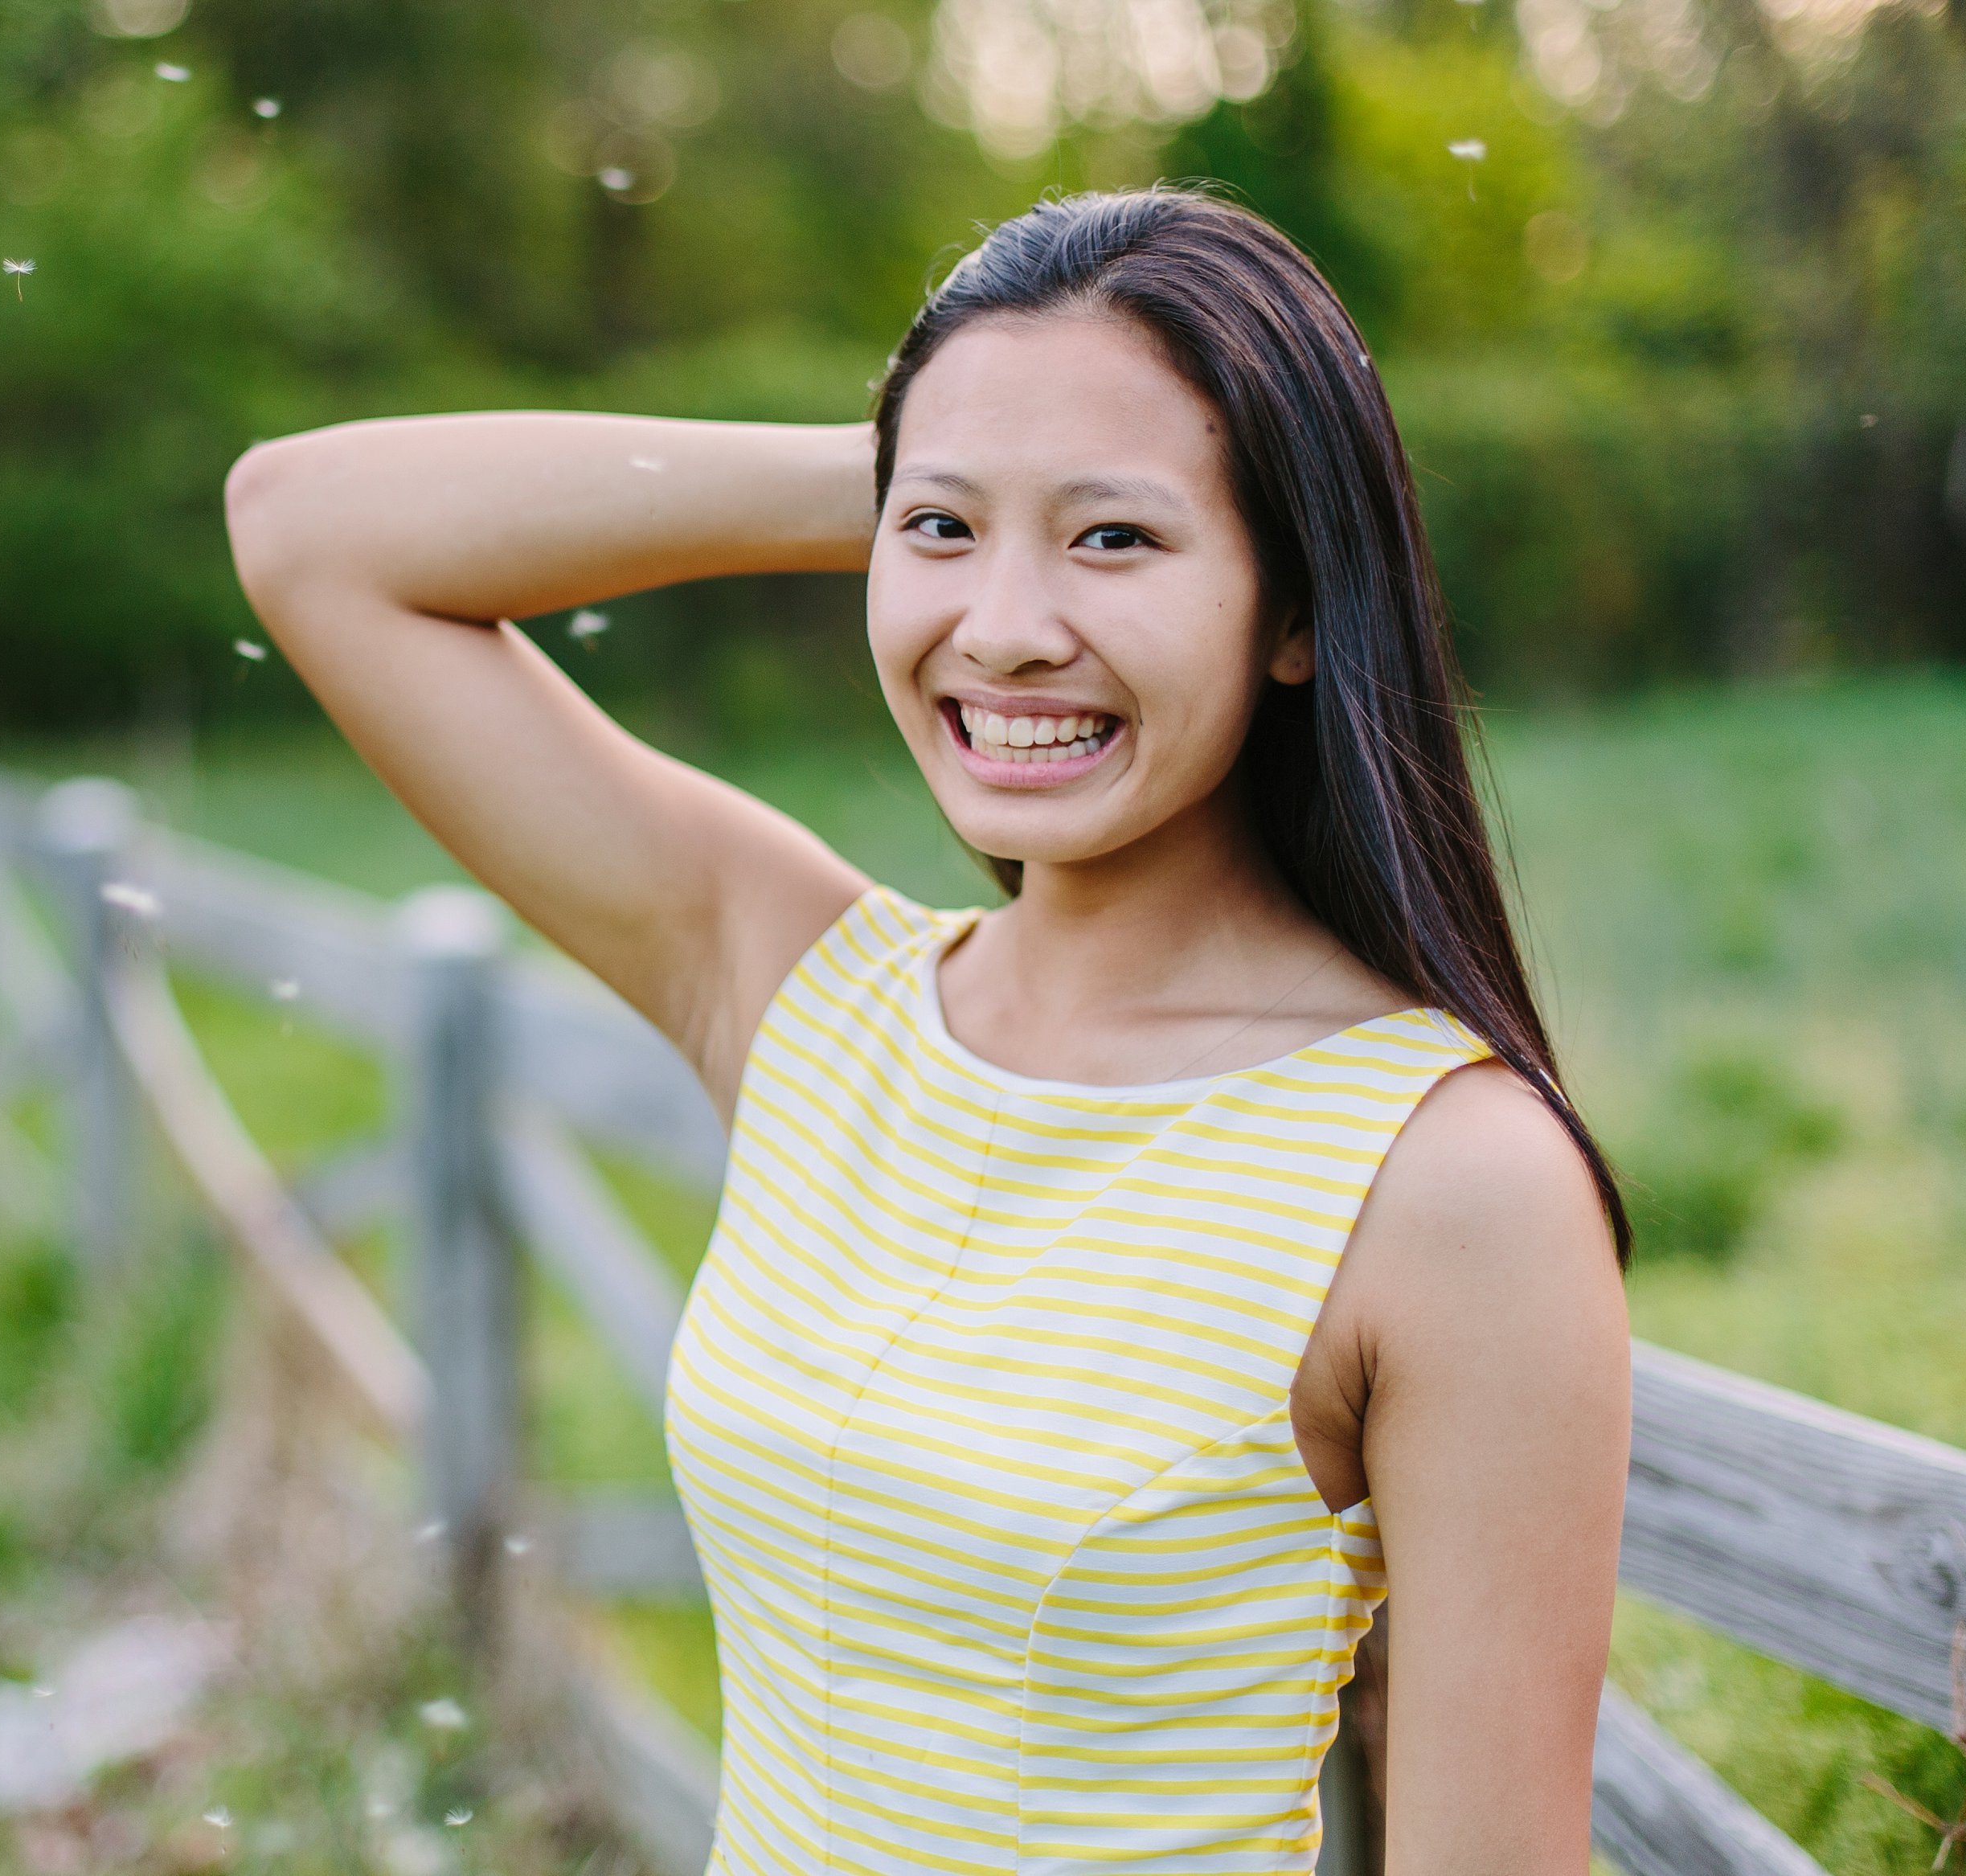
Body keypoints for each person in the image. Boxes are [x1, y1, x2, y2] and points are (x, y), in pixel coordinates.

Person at [224, 186, 1631, 1874]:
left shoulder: (1450, 1182)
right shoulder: (810, 994)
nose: (1008, 627)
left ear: (1296, 609)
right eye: (942, 540)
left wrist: (985, 476)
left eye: (1116, 540)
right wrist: (935, 459)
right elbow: (307, 526)